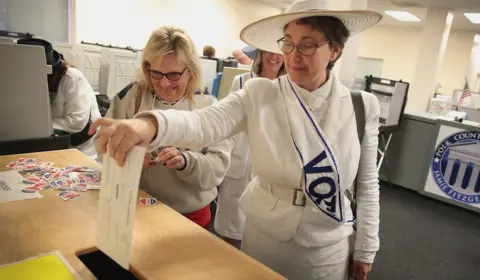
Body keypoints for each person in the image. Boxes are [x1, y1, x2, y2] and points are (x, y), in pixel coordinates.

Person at [91, 0, 383, 279]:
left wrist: (366, 247)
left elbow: (367, 184)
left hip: (326, 246)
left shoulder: (361, 106)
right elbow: (203, 123)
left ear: (335, 50)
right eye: (288, 43)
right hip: (265, 236)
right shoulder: (260, 93)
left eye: (307, 45)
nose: (294, 55)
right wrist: (148, 124)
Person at [97, 26, 231, 229]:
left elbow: (218, 169)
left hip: (189, 215)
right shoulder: (132, 97)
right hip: (137, 205)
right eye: (156, 73)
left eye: (174, 75)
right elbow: (102, 144)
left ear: (191, 71)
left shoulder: (208, 105)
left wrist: (186, 162)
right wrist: (126, 155)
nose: (165, 83)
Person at [214, 49, 285, 247]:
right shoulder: (241, 81)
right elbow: (227, 125)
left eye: (279, 52)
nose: (274, 57)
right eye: (269, 51)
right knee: (231, 232)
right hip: (240, 164)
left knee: (262, 237)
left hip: (270, 167)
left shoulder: (288, 86)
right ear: (260, 52)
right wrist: (221, 163)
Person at [17, 38, 101, 159]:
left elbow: (77, 121)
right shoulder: (33, 82)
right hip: (58, 144)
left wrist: (39, 126)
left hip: (84, 148)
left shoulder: (71, 78)